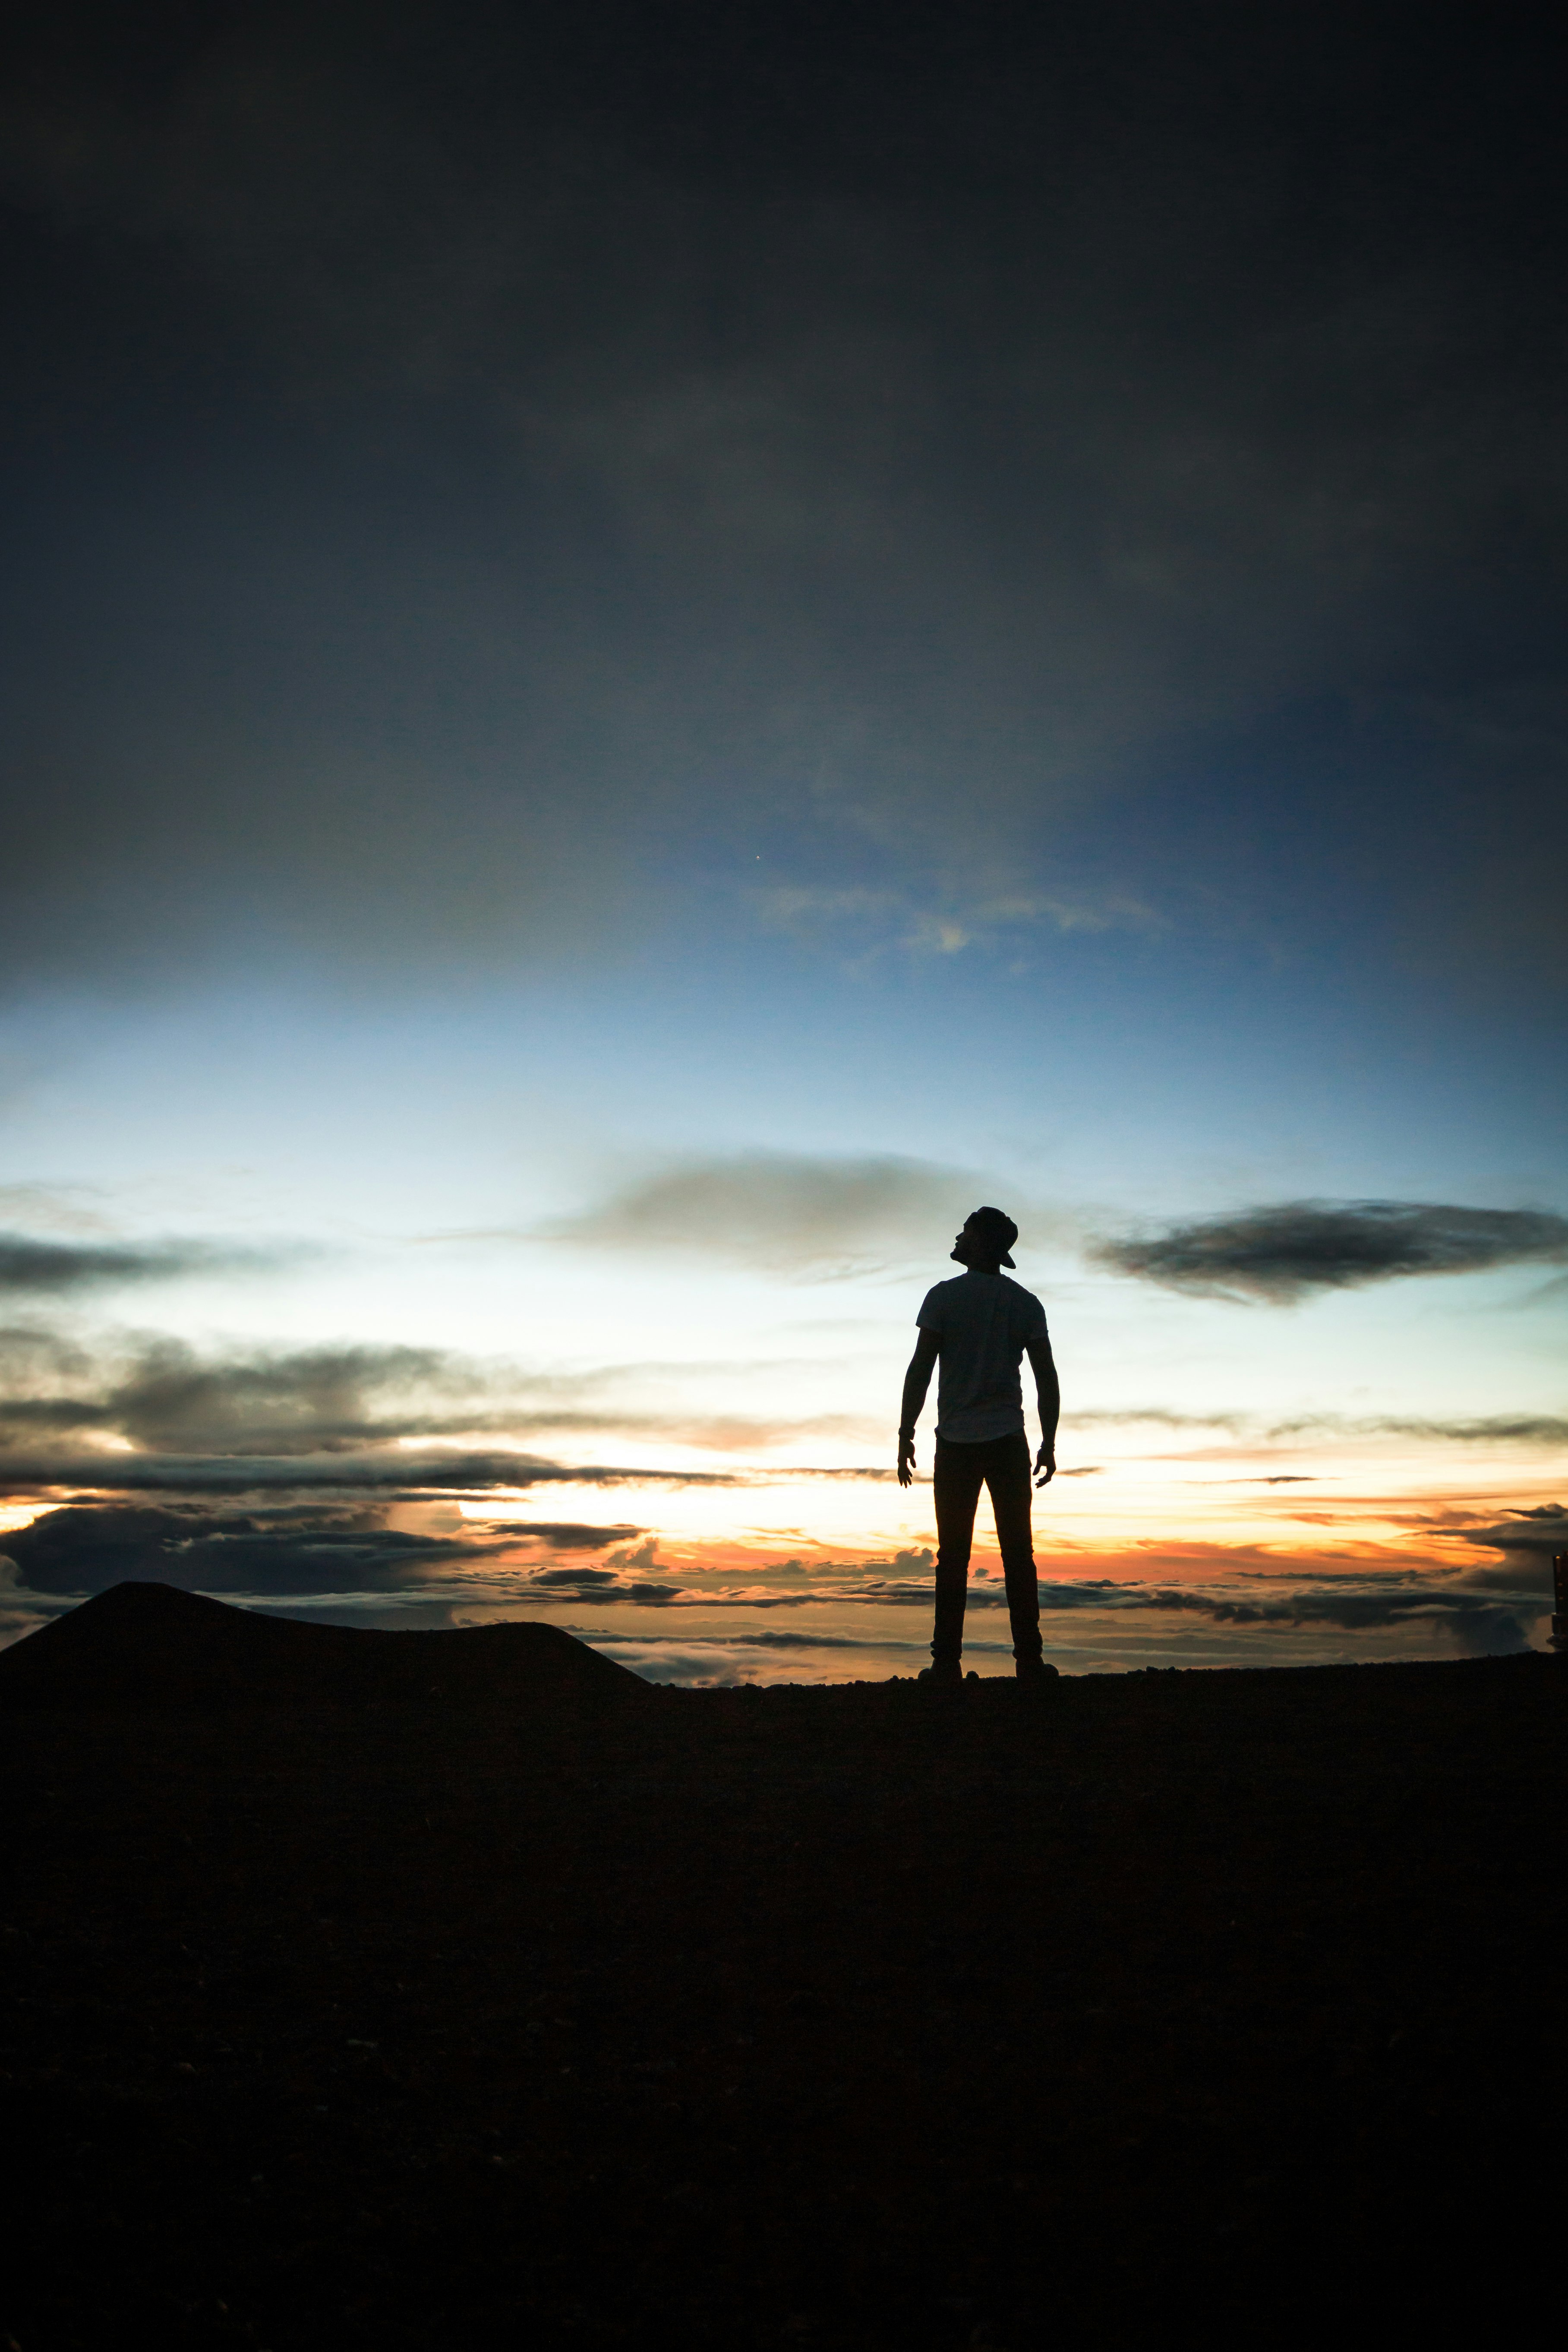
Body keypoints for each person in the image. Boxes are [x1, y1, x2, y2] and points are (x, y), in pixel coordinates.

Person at [897, 1206, 1060, 1690]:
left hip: (956, 1444)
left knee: (953, 1557)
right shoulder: (1025, 1302)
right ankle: (1029, 1663)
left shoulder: (943, 1297)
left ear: (981, 1244)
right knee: (1018, 1554)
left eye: (965, 1231)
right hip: (1009, 1440)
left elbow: (921, 1367)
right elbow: (1045, 1376)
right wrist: (1049, 1440)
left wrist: (905, 1430)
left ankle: (945, 1665)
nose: (957, 1236)